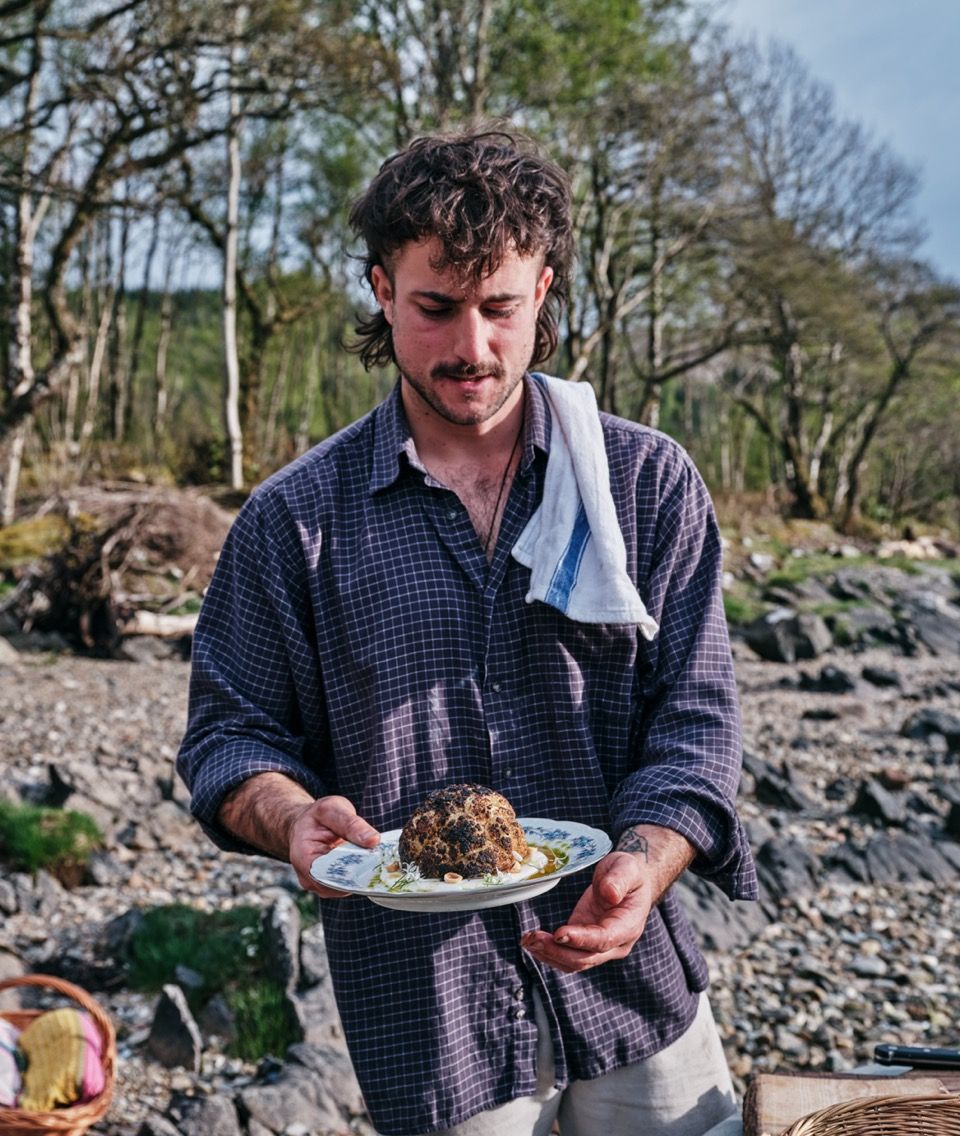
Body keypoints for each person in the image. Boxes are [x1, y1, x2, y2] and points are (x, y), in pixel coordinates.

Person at [178, 130, 758, 1136]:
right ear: (381, 289)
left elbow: (697, 720)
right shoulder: (294, 522)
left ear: (543, 290)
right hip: (429, 1015)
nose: (472, 348)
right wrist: (290, 817)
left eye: (500, 308)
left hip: (637, 989)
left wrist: (648, 861)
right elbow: (231, 736)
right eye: (437, 308)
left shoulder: (644, 485)